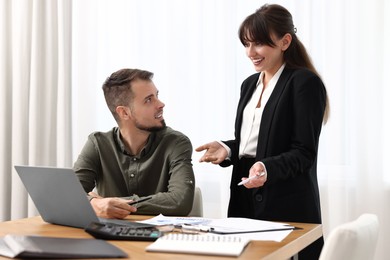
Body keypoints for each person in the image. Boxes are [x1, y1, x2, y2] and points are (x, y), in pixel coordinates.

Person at [196, 4, 329, 259]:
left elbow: (303, 152)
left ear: (285, 41)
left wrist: (266, 168)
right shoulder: (249, 85)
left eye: (258, 44)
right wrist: (226, 149)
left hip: (286, 204)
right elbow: (254, 142)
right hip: (244, 200)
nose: (250, 53)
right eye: (246, 44)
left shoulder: (304, 83)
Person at [73, 68, 195, 219]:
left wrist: (103, 202)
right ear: (124, 112)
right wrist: (93, 203)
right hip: (108, 236)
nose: (161, 104)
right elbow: (68, 195)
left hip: (161, 237)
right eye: (149, 100)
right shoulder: (97, 143)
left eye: (157, 96)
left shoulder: (176, 143)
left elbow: (180, 202)